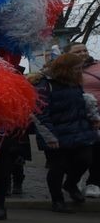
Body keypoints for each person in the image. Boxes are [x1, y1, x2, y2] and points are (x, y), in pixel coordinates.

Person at [31, 53, 99, 213]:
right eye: (76, 68)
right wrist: (49, 136)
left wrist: (93, 117)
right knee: (57, 167)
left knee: (85, 160)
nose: (79, 71)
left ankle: (70, 184)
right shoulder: (45, 84)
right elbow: (40, 112)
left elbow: (82, 102)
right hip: (55, 132)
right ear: (65, 68)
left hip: (79, 130)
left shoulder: (74, 82)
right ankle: (57, 200)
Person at [70, 42, 100, 198]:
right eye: (77, 51)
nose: (82, 53)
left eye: (84, 50)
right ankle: (74, 179)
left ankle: (93, 183)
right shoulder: (63, 70)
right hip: (72, 118)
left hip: (97, 116)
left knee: (97, 149)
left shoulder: (98, 67)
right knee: (78, 153)